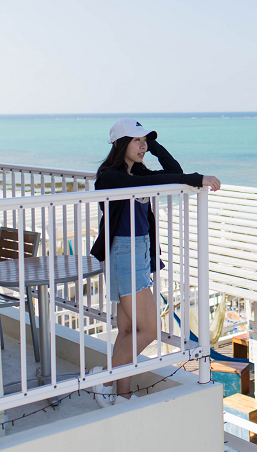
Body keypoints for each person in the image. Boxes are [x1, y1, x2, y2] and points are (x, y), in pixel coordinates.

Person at [89, 118, 220, 407]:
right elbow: (156, 181)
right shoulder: (110, 176)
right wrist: (197, 179)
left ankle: (121, 394)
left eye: (144, 140)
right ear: (120, 144)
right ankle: (104, 381)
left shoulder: (136, 171)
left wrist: (155, 145)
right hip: (124, 252)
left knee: (127, 331)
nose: (143, 145)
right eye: (137, 140)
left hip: (139, 251)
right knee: (148, 330)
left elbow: (174, 173)